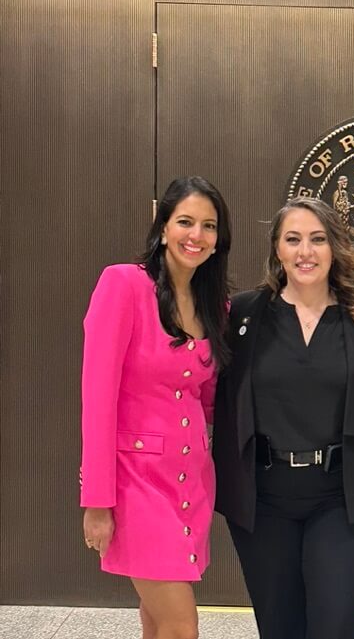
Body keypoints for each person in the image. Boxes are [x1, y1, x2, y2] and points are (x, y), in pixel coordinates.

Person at [213, 197, 354, 639]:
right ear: (277, 248)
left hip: (342, 495)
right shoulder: (242, 315)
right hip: (265, 498)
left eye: (317, 239)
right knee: (280, 626)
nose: (305, 252)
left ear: (334, 246)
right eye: (293, 239)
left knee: (336, 624)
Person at [80, 176, 232, 639]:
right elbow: (97, 398)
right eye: (185, 221)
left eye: (209, 226)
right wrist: (97, 501)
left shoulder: (216, 306)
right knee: (181, 625)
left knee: (157, 620)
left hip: (191, 482)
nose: (196, 235)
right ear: (163, 226)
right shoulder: (123, 284)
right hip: (136, 483)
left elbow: (210, 400)